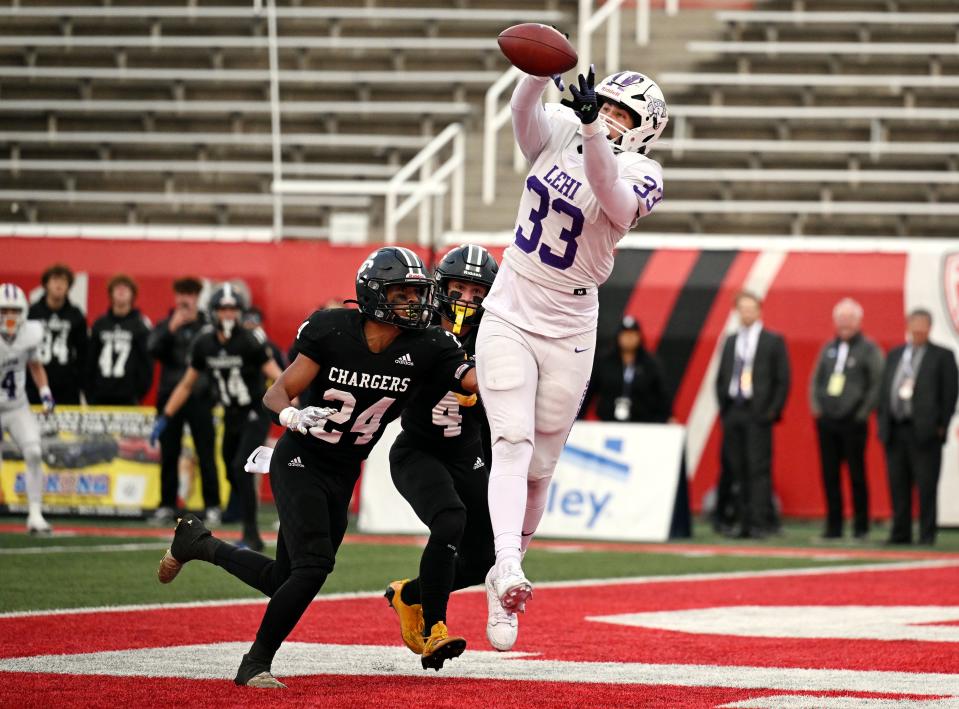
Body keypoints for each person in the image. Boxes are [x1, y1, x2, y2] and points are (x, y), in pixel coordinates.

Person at [154, 247, 480, 687]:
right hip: (300, 457)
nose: (416, 303)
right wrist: (289, 416)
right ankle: (255, 664)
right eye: (403, 294)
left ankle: (197, 542)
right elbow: (279, 390)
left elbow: (471, 381)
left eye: (418, 293)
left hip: (344, 471)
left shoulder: (430, 345)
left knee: (281, 579)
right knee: (312, 567)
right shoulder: (331, 330)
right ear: (375, 294)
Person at [474, 64, 668, 640]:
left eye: (622, 114)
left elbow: (610, 194)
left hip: (571, 321)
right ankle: (507, 567)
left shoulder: (643, 171)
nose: (608, 116)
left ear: (644, 130)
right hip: (512, 302)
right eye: (603, 104)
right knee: (511, 440)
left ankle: (502, 577)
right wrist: (534, 71)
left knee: (540, 468)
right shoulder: (563, 126)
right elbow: (519, 115)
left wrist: (589, 130)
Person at [384, 244, 501, 665]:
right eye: (459, 288)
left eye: (476, 292)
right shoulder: (417, 330)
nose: (467, 300)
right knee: (450, 518)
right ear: (441, 287)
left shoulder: (497, 336)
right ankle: (436, 628)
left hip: (466, 453)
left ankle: (409, 595)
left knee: (486, 556)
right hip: (419, 449)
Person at [151, 284, 283, 551]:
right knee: (232, 471)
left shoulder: (248, 340)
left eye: (232, 308)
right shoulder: (204, 343)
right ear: (213, 312)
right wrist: (166, 415)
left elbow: (277, 375)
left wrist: (291, 406)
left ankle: (252, 535)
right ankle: (252, 520)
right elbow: (187, 384)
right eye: (223, 308)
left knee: (240, 468)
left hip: (254, 412)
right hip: (230, 414)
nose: (227, 314)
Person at [877, 308, 958, 545]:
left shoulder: (942, 356)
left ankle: (926, 533)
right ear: (908, 326)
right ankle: (900, 532)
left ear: (929, 327)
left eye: (922, 325)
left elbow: (950, 393)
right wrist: (883, 421)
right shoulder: (895, 355)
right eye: (914, 325)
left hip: (925, 432)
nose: (918, 330)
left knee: (926, 485)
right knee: (898, 484)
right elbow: (884, 389)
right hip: (895, 429)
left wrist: (940, 425)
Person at [714, 291, 790, 539]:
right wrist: (724, 407)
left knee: (758, 470)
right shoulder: (730, 340)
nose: (746, 313)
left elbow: (782, 380)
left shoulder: (772, 341)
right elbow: (722, 376)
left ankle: (759, 522)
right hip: (734, 410)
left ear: (759, 310)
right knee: (736, 469)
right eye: (742, 309)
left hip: (758, 414)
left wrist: (771, 411)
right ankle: (742, 521)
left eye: (751, 308)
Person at [809, 298, 883, 540]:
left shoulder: (869, 349)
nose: (844, 323)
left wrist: (862, 413)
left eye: (849, 318)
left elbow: (877, 383)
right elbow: (815, 379)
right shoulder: (829, 348)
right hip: (828, 421)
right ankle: (834, 526)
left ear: (859, 321)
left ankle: (860, 526)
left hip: (853, 421)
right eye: (841, 318)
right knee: (829, 475)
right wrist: (817, 409)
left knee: (856, 475)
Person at [147, 277, 219, 525]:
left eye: (190, 294)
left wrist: (212, 392)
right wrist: (171, 328)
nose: (185, 299)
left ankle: (212, 506)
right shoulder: (167, 324)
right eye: (181, 293)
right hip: (170, 396)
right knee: (170, 452)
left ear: (197, 297)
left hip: (200, 396)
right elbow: (152, 349)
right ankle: (167, 504)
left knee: (205, 451)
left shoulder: (208, 325)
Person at [0, 283, 56, 533]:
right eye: (4, 310)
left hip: (16, 406)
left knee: (33, 451)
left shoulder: (30, 333)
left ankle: (35, 514)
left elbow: (35, 365)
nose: (9, 316)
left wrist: (45, 393)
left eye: (14, 310)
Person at [581, 315, 670, 423]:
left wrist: (664, 419)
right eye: (625, 334)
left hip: (642, 425)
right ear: (618, 337)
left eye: (633, 334)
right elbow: (589, 391)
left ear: (639, 337)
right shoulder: (604, 361)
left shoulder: (650, 363)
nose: (629, 338)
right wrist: (579, 418)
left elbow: (662, 395)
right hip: (607, 423)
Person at [86, 274, 154, 405]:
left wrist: (137, 394)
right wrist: (90, 392)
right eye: (117, 288)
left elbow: (146, 364)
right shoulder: (100, 324)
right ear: (110, 294)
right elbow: (89, 360)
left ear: (133, 295)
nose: (121, 291)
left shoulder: (140, 325)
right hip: (100, 395)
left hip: (128, 396)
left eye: (126, 288)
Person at [26, 263, 87, 405]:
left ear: (69, 286)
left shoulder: (76, 315)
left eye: (63, 281)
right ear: (46, 284)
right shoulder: (32, 313)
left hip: (67, 387)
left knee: (67, 426)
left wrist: (78, 379)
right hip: (35, 385)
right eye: (54, 280)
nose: (59, 285)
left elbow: (83, 352)